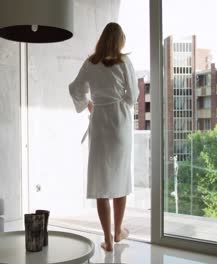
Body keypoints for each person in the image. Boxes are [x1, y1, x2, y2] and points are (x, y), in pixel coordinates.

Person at [69, 22, 138, 252]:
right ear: (119, 41)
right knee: (119, 178)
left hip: (99, 123)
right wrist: (121, 105)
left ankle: (108, 240)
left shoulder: (91, 62)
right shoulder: (124, 62)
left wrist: (88, 104)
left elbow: (75, 88)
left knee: (101, 182)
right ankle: (117, 231)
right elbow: (134, 94)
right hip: (119, 123)